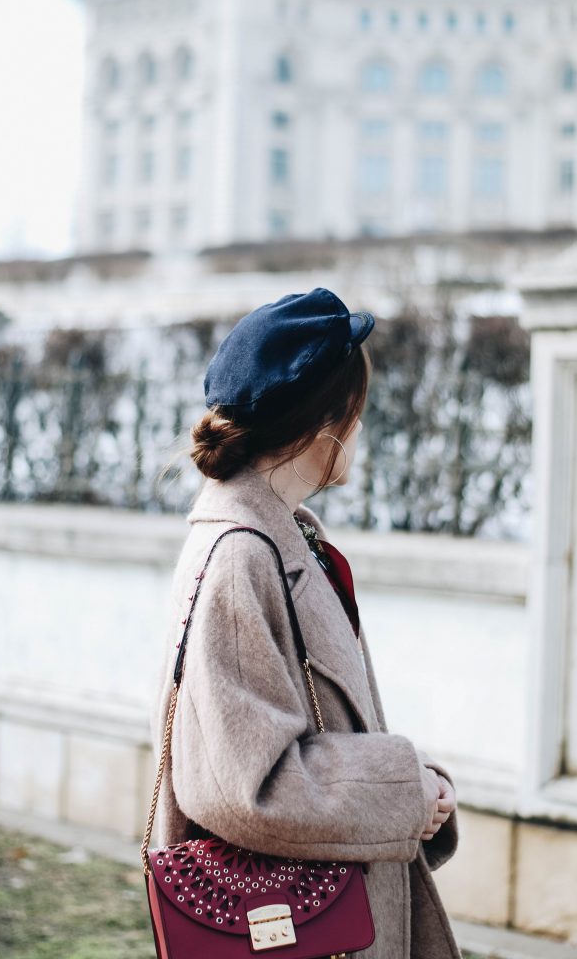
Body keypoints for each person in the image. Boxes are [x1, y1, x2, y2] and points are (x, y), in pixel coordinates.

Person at [151, 287, 462, 959]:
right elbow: (250, 784)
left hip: (329, 918)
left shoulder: (287, 538)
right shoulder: (241, 555)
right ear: (323, 424)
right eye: (356, 413)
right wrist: (408, 786)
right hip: (296, 933)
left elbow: (331, 726)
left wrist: (417, 784)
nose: (359, 432)